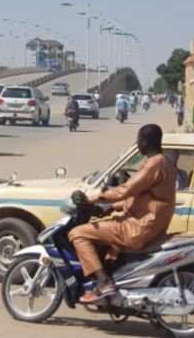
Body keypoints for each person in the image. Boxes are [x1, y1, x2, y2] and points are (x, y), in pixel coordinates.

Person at [68, 124, 176, 303]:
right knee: (108, 236)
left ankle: (103, 283)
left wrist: (94, 198)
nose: (137, 143)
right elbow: (139, 198)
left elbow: (125, 190)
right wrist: (111, 208)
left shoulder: (154, 164)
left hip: (139, 227)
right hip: (149, 223)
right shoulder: (163, 162)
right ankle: (111, 278)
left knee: (77, 233)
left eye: (139, 139)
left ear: (145, 141)